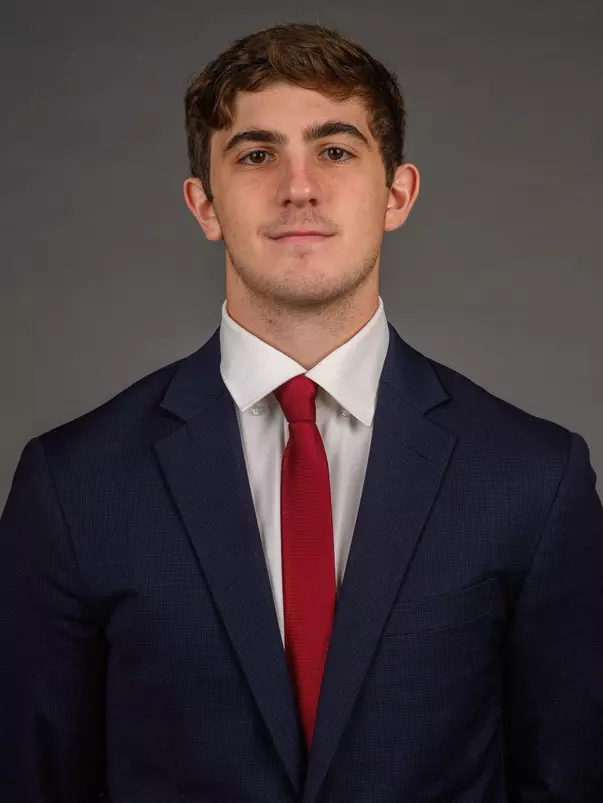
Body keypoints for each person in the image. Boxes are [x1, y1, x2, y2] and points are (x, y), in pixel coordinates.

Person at [1, 20, 602, 803]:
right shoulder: (73, 484)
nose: (299, 187)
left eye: (335, 150)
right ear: (204, 204)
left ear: (396, 194)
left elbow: (571, 776)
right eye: (255, 155)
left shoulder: (533, 478)